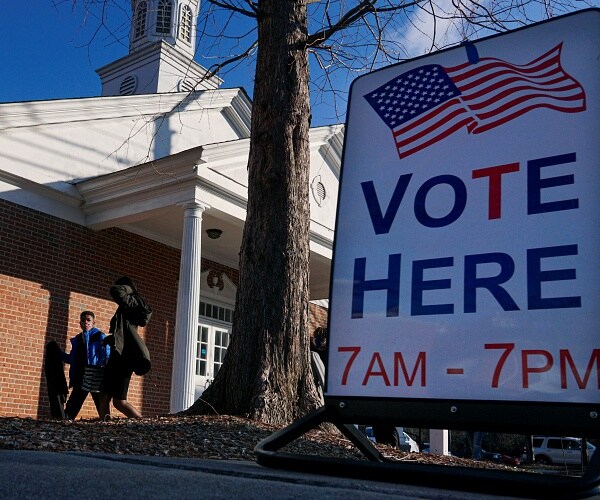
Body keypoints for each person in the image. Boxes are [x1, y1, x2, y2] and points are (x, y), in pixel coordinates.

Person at [99, 276, 152, 419]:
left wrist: (128, 288)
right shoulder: (130, 304)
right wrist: (111, 339)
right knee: (106, 397)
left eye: (121, 285)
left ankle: (142, 423)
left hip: (124, 357)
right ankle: (105, 426)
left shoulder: (132, 301)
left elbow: (115, 291)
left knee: (118, 401)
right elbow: (126, 330)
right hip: (121, 354)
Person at [60, 311, 110, 420]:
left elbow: (107, 355)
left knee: (100, 403)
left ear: (93, 323)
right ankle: (66, 422)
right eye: (83, 320)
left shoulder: (99, 336)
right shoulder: (78, 339)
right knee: (74, 403)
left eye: (88, 320)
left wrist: (104, 372)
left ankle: (107, 424)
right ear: (80, 323)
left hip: (95, 374)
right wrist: (59, 354)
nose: (85, 322)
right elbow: (72, 359)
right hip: (81, 375)